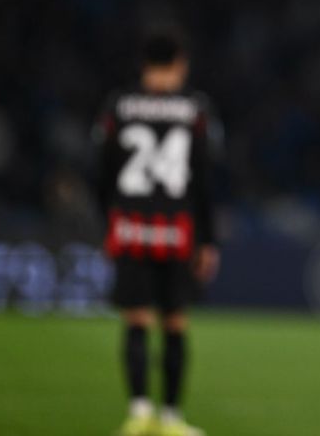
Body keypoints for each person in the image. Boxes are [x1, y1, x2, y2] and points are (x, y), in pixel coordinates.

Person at [96, 29, 220, 436]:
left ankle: (137, 413)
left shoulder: (119, 105)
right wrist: (208, 239)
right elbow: (204, 179)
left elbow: (103, 172)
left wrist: (107, 222)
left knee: (136, 319)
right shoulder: (195, 108)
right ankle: (170, 418)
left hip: (130, 229)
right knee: (175, 323)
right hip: (177, 233)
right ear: (179, 64)